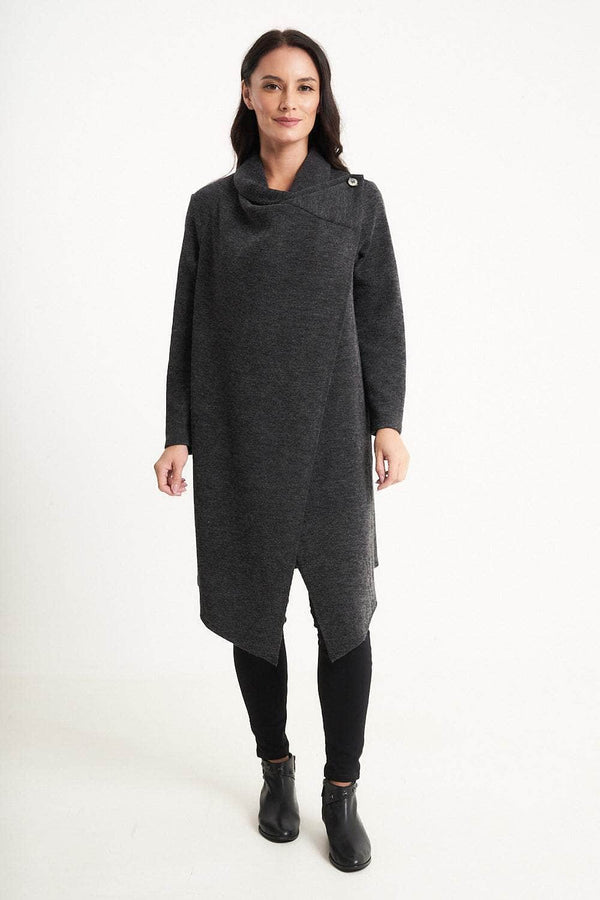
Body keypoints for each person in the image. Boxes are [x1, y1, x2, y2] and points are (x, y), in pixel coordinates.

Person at [154, 29, 410, 872]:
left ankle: (341, 790)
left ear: (320, 98)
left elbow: (381, 316)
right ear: (248, 94)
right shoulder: (210, 208)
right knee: (254, 615)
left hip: (334, 440)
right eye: (272, 85)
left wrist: (387, 421)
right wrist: (179, 432)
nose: (288, 100)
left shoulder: (357, 202)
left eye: (303, 86)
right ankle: (275, 768)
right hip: (239, 439)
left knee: (345, 619)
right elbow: (188, 326)